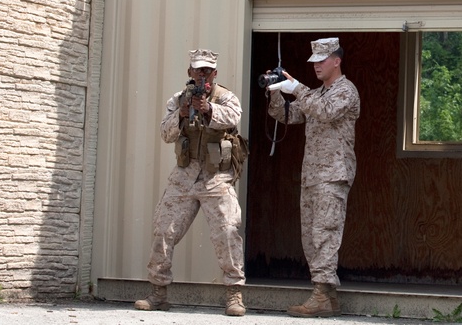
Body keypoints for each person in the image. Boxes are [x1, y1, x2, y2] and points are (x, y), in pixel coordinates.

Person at [135, 49, 247, 316]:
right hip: (184, 177)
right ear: (189, 72)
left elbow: (234, 117)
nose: (202, 74)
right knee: (164, 230)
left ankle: (234, 295)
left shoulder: (225, 97)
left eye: (207, 70)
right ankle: (158, 293)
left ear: (215, 73)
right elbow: (165, 133)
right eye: (197, 70)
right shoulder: (177, 100)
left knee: (227, 232)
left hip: (216, 178)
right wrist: (182, 114)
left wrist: (209, 110)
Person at [267, 38, 361, 317]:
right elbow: (287, 115)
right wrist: (275, 91)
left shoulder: (345, 91)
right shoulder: (318, 93)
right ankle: (328, 297)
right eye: (314, 61)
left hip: (333, 173)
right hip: (313, 175)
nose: (316, 66)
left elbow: (326, 112)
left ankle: (321, 294)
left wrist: (297, 89)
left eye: (322, 60)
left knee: (325, 233)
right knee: (311, 234)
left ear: (336, 61)